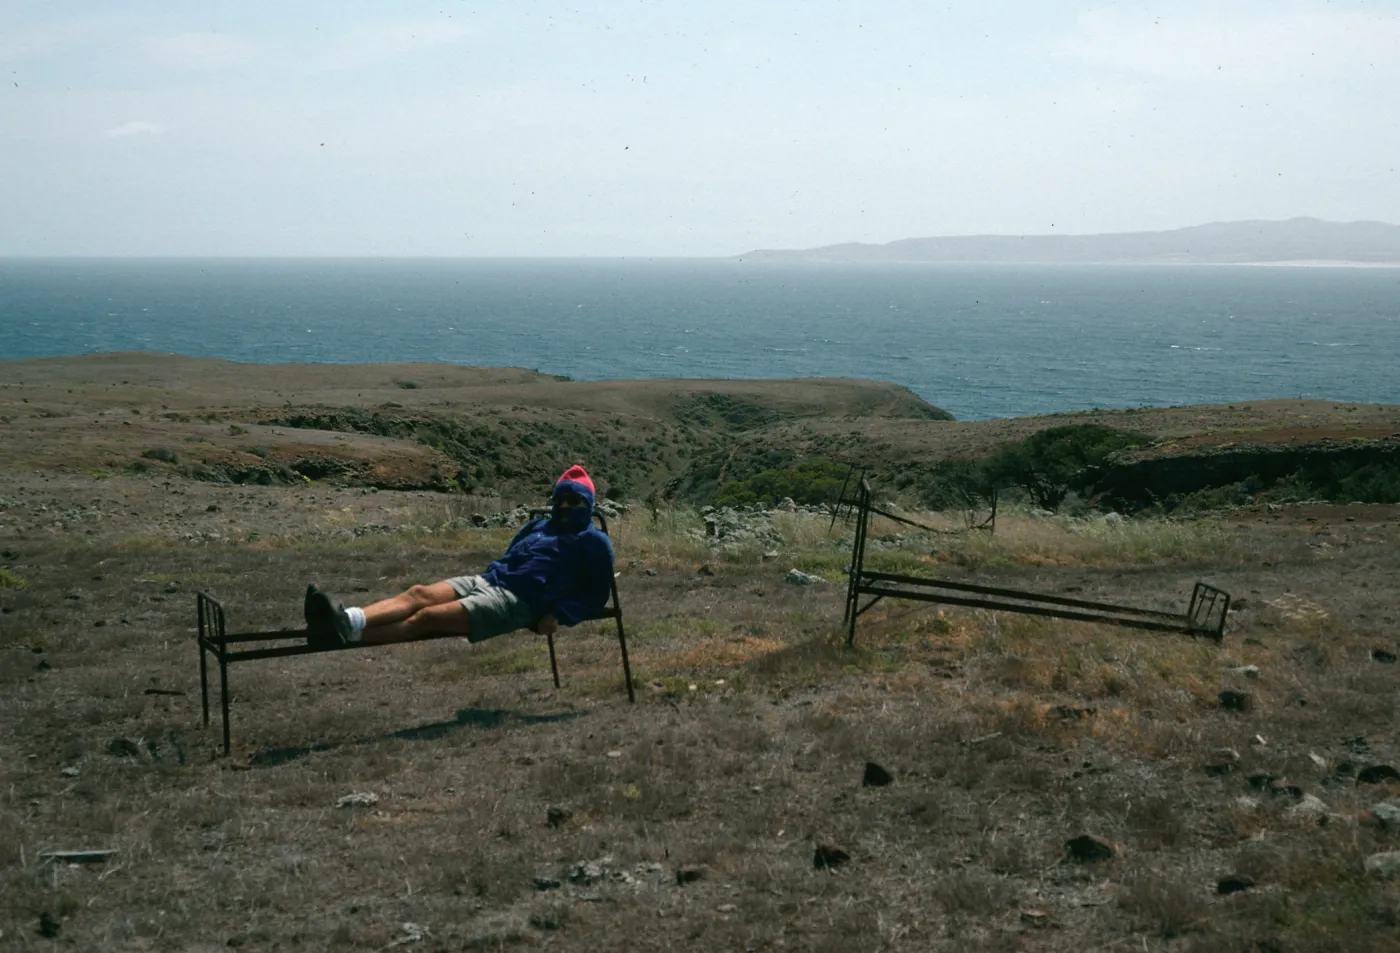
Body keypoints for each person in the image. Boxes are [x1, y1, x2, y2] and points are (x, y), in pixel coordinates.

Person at [303, 465, 615, 648]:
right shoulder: (538, 525)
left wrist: (559, 613)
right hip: (490, 579)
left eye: (573, 501)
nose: (564, 507)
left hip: (518, 603)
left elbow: (596, 593)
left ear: (586, 504)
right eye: (561, 500)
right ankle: (346, 621)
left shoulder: (592, 540)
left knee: (426, 618)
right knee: (419, 594)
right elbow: (510, 556)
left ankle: (344, 638)